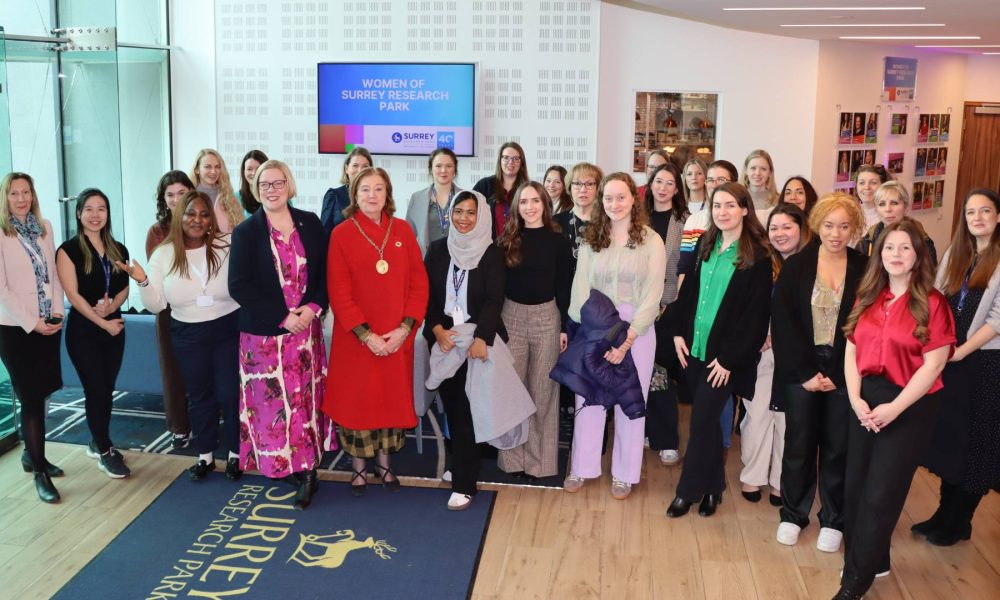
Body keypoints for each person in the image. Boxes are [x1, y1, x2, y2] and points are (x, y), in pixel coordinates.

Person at [835, 218, 955, 599]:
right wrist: (855, 399)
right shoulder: (868, 295)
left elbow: (933, 366)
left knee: (880, 494)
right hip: (866, 398)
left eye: (905, 247)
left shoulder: (933, 303)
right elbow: (852, 348)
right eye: (889, 247)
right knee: (855, 489)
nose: (896, 254)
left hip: (909, 404)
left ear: (919, 255)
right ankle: (872, 558)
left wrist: (894, 409)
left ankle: (854, 582)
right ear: (879, 253)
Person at [228, 160, 334, 509]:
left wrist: (313, 308)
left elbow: (324, 277)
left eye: (278, 182)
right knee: (273, 407)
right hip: (264, 339)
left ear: (290, 185)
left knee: (304, 402)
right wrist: (283, 317)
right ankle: (284, 464)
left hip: (306, 334)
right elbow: (239, 286)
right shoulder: (246, 232)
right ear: (257, 191)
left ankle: (307, 471)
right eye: (264, 185)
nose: (272, 189)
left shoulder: (311, 223)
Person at [666, 182, 772, 518]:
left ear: (744, 209)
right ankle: (714, 488)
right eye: (717, 206)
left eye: (729, 205)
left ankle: (687, 491)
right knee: (709, 423)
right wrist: (679, 333)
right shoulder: (705, 242)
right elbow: (690, 293)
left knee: (701, 422)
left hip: (723, 358)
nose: (722, 212)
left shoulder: (757, 255)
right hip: (695, 347)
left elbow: (755, 317)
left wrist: (728, 359)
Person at [123, 191, 242, 482]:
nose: (197, 220)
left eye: (203, 214)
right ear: (180, 216)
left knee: (229, 393)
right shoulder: (164, 253)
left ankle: (237, 454)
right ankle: (205, 456)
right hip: (187, 332)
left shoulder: (226, 245)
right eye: (190, 213)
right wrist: (143, 281)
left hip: (228, 327)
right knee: (200, 395)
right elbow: (156, 304)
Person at [325, 167, 429, 497]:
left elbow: (419, 285)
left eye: (379, 189)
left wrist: (404, 329)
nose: (372, 195)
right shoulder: (341, 234)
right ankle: (358, 470)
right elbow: (339, 293)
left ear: (388, 194)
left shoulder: (402, 230)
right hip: (357, 341)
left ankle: (385, 466)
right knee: (359, 404)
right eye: (365, 189)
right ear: (354, 195)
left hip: (397, 338)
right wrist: (367, 336)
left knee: (389, 402)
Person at [770, 193, 866, 551]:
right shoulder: (797, 265)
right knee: (798, 444)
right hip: (802, 370)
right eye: (829, 225)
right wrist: (807, 371)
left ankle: (834, 519)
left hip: (846, 369)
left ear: (854, 228)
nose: (836, 233)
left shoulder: (865, 265)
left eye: (844, 226)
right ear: (816, 226)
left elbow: (866, 323)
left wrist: (840, 372)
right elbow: (784, 323)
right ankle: (793, 513)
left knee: (838, 448)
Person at [563, 173, 666, 500]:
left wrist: (628, 339)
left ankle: (624, 473)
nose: (614, 204)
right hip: (595, 329)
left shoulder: (651, 240)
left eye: (621, 197)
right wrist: (591, 333)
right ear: (600, 201)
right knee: (588, 399)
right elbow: (579, 289)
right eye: (608, 198)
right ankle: (582, 466)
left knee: (630, 402)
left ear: (633, 200)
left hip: (637, 331)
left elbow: (653, 295)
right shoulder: (592, 239)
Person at [916, 189, 1000, 546]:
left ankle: (959, 520)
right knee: (951, 440)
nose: (977, 218)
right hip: (950, 358)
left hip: (984, 362)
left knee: (978, 443)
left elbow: (997, 319)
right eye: (970, 213)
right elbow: (936, 298)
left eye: (985, 211)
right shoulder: (957, 254)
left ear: (998, 217)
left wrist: (962, 350)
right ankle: (944, 514)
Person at [424, 190, 507, 509]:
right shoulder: (437, 250)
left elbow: (493, 300)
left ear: (481, 215)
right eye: (458, 211)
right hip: (445, 340)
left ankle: (465, 483)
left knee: (468, 412)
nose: (463, 218)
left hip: (477, 341)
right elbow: (426, 297)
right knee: (454, 408)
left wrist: (481, 339)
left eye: (471, 212)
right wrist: (436, 330)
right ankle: (458, 464)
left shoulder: (491, 253)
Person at [495, 181, 573, 480]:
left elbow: (564, 286)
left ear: (545, 204)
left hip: (546, 318)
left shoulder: (558, 241)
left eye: (535, 201)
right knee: (513, 392)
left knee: (543, 393)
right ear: (517, 206)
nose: (529, 207)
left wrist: (564, 327)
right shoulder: (506, 240)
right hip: (511, 317)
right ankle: (513, 460)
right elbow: (497, 286)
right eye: (523, 202)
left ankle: (540, 463)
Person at [738, 204, 812, 506]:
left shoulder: (814, 263)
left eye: (787, 227)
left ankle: (781, 480)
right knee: (756, 416)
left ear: (802, 228)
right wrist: (761, 333)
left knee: (788, 420)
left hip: (799, 355)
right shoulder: (762, 262)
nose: (780, 234)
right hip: (763, 351)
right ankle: (752, 475)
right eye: (775, 228)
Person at [56, 188, 131, 479]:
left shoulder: (118, 249)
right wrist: (103, 322)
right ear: (78, 213)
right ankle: (104, 450)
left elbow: (124, 285)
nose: (95, 215)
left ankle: (97, 439)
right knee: (96, 388)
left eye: (101, 209)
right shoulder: (69, 250)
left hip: (114, 329)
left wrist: (113, 304)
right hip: (85, 332)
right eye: (89, 209)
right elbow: (72, 296)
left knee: (106, 390)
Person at [0, 172, 64, 503]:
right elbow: (2, 290)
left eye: (26, 192)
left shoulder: (45, 227)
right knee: (31, 398)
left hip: (46, 323)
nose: (22, 198)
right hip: (15, 329)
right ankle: (39, 473)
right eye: (14, 193)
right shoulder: (1, 232)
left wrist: (57, 313)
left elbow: (52, 273)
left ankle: (32, 455)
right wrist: (33, 323)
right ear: (5, 197)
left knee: (42, 392)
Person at [643, 162, 689, 466]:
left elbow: (685, 267)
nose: (663, 187)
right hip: (636, 306)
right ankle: (646, 430)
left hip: (668, 306)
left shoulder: (684, 221)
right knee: (639, 375)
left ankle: (667, 439)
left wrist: (668, 305)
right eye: (658, 181)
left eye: (669, 183)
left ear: (677, 188)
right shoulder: (638, 217)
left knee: (661, 375)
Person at [147, 170, 194, 449]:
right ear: (163, 200)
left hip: (203, 309)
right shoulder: (157, 232)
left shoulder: (203, 222)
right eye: (170, 195)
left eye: (181, 193)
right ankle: (179, 426)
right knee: (173, 369)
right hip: (167, 310)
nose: (177, 199)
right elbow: (161, 275)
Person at [679, 159, 739, 279]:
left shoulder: (741, 219)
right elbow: (685, 268)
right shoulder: (694, 221)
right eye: (710, 180)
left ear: (735, 184)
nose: (714, 184)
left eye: (721, 180)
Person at [859, 181, 937, 266]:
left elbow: (929, 273)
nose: (888, 209)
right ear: (876, 209)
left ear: (906, 207)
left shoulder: (920, 237)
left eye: (894, 203)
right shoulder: (870, 236)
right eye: (882, 204)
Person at [405, 148, 462, 255]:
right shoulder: (417, 198)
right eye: (438, 166)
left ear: (455, 170)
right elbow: (408, 238)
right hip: (426, 263)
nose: (443, 170)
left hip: (459, 262)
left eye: (449, 166)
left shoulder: (466, 197)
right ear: (431, 169)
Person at [474, 142, 530, 237]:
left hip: (520, 246)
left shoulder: (528, 189)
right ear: (500, 160)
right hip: (490, 246)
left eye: (516, 158)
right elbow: (471, 213)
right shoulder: (484, 185)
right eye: (506, 157)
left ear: (521, 162)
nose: (510, 162)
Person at [553, 162, 604, 265]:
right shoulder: (554, 222)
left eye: (589, 184)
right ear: (569, 188)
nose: (583, 189)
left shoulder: (606, 222)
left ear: (598, 188)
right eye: (577, 183)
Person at [320, 146, 373, 236]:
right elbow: (323, 234)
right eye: (355, 165)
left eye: (365, 166)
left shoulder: (375, 197)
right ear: (346, 169)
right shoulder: (334, 196)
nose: (360, 170)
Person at [190, 148, 243, 234]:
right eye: (208, 167)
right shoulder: (189, 196)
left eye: (217, 167)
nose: (213, 171)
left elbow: (238, 229)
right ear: (197, 170)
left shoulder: (228, 196)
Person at [854, 164, 889, 232]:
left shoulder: (888, 217)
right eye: (862, 183)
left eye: (873, 183)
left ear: (883, 186)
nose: (867, 187)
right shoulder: (850, 213)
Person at [237, 149, 268, 216]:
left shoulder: (277, 195)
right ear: (243, 171)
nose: (254, 173)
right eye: (249, 169)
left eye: (258, 169)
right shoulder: (234, 198)